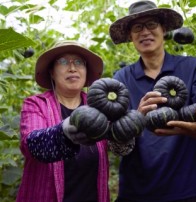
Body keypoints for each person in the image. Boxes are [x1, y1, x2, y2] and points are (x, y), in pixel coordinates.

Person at [109, 0, 196, 202]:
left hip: (186, 191)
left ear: (163, 29)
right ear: (130, 36)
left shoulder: (194, 67)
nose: (145, 32)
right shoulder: (120, 78)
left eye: (151, 24)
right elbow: (116, 142)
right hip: (135, 193)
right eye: (137, 27)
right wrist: (136, 117)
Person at [16, 41, 134, 202]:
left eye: (79, 62)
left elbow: (119, 149)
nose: (72, 68)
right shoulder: (36, 104)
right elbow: (31, 145)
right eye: (63, 62)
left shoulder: (100, 106)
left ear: (86, 70)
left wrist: (125, 132)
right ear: (51, 71)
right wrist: (63, 132)